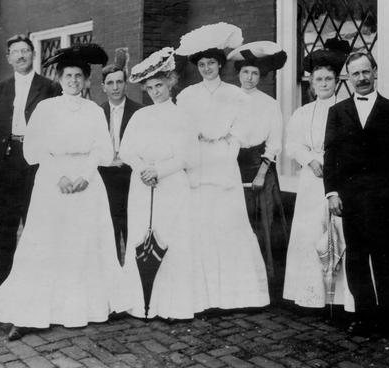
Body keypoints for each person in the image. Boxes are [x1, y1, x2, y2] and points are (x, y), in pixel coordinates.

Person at [0, 44, 121, 340]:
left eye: (79, 76)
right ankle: (31, 312)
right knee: (45, 243)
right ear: (59, 78)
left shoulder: (93, 111)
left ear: (87, 81)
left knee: (83, 243)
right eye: (68, 75)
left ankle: (82, 307)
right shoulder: (46, 109)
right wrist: (58, 175)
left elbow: (103, 148)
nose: (73, 81)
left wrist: (85, 175)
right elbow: (34, 149)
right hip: (52, 182)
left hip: (87, 185)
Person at [175, 23, 270, 312]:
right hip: (197, 164)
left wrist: (225, 145)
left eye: (212, 63)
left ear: (220, 65)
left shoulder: (235, 95)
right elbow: (180, 130)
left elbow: (243, 132)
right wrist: (196, 140)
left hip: (223, 164)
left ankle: (234, 296)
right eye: (202, 64)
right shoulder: (187, 96)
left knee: (227, 225)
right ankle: (202, 296)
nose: (207, 68)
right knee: (200, 225)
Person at [324, 52, 389, 334]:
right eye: (355, 74)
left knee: (387, 257)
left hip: (385, 197)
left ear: (375, 71)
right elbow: (332, 155)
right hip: (351, 197)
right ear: (348, 78)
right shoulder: (337, 112)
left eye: (366, 72)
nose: (362, 78)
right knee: (356, 258)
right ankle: (364, 317)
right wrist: (332, 193)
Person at [118, 47, 198, 319]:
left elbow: (187, 156)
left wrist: (159, 171)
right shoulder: (141, 116)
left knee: (171, 239)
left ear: (170, 83)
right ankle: (141, 305)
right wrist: (143, 169)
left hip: (172, 184)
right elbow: (126, 150)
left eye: (160, 85)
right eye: (150, 87)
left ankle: (171, 306)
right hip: (141, 185)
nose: (155, 91)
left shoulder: (183, 116)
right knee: (141, 237)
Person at [283, 39, 354, 311]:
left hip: (340, 180)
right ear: (311, 83)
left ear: (337, 81)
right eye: (318, 79)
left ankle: (339, 295)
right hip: (312, 181)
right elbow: (292, 145)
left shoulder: (347, 110)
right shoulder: (303, 113)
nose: (323, 84)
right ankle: (312, 294)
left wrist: (337, 166)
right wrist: (310, 160)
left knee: (338, 231)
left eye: (328, 79)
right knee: (311, 232)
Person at [0, 34, 61, 284]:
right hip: (5, 164)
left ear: (34, 54)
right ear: (9, 58)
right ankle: (4, 280)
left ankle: (36, 280)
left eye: (25, 50)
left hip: (35, 162)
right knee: (6, 225)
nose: (21, 55)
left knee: (36, 221)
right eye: (15, 51)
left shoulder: (50, 88)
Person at [226, 41, 288, 278]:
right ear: (238, 74)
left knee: (262, 223)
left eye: (254, 73)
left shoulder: (269, 104)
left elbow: (274, 142)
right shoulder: (228, 98)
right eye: (245, 72)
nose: (249, 77)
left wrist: (262, 173)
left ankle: (264, 278)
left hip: (260, 166)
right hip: (231, 165)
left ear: (260, 76)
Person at [98, 61, 142, 265]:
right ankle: (113, 275)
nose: (115, 87)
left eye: (119, 82)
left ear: (126, 84)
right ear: (103, 86)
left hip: (130, 176)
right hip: (105, 178)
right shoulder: (97, 113)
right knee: (109, 230)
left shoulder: (139, 112)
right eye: (110, 83)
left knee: (132, 227)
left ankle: (132, 276)